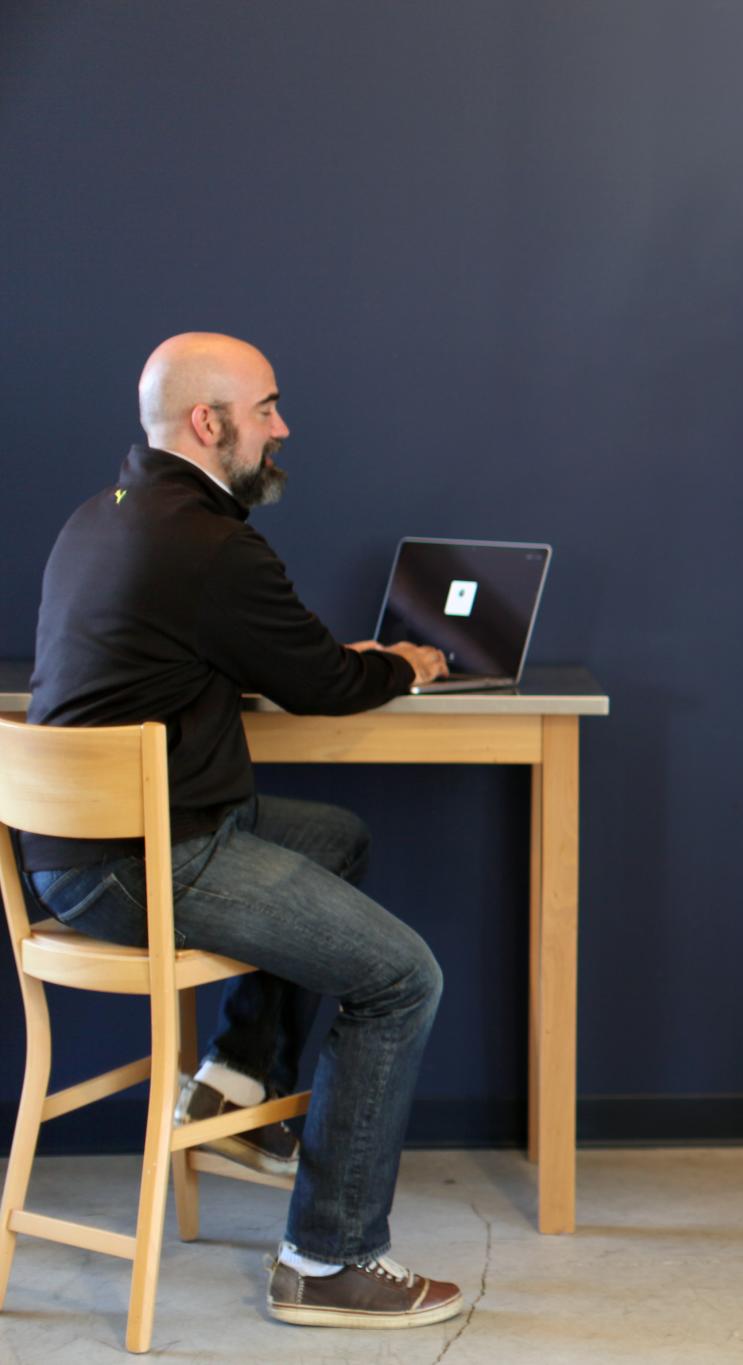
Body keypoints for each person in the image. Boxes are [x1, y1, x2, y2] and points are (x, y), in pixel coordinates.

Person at [21, 332, 467, 1328]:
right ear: (209, 423)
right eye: (267, 409)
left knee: (336, 838)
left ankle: (231, 1084)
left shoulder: (103, 519)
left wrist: (312, 655)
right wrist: (404, 664)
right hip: (150, 863)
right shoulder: (215, 544)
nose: (282, 428)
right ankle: (328, 1260)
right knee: (402, 978)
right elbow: (322, 682)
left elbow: (237, 650)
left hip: (69, 862)